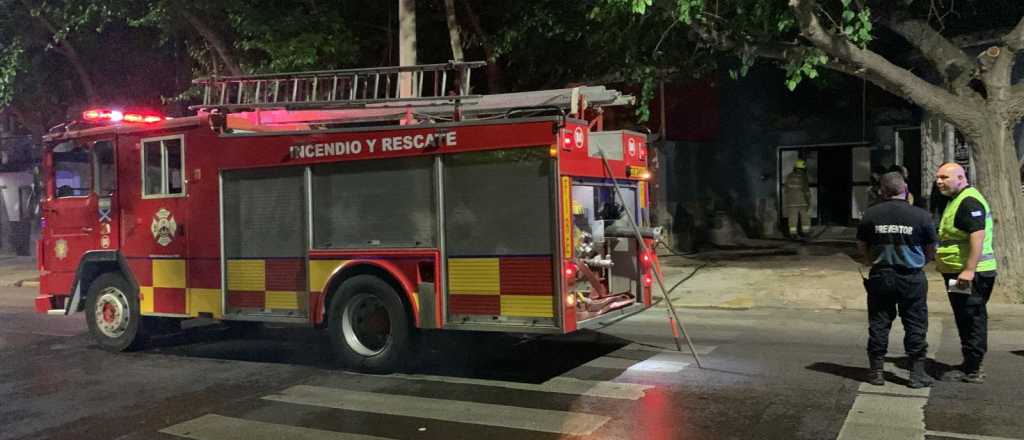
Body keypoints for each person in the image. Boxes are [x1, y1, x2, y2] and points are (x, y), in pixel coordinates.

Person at [856, 172, 937, 388]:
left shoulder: (871, 214)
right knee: (916, 325)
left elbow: (862, 246)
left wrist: (871, 261)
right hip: (911, 277)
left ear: (882, 191)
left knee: (879, 324)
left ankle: (876, 373)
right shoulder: (921, 216)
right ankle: (916, 375)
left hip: (881, 275)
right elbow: (931, 248)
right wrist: (921, 262)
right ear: (905, 189)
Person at [934, 162, 997, 383]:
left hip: (970, 274)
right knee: (964, 316)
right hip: (958, 272)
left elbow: (976, 237)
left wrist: (969, 270)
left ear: (961, 178)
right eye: (938, 177)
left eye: (944, 177)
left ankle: (973, 368)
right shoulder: (956, 200)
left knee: (972, 317)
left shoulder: (968, 201)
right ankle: (969, 362)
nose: (939, 182)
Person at [783, 159, 811, 238]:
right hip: (802, 201)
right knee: (805, 217)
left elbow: (786, 190)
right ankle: (805, 233)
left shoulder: (789, 176)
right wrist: (808, 201)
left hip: (791, 201)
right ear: (803, 168)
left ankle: (793, 234)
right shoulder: (803, 176)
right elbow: (806, 190)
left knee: (792, 218)